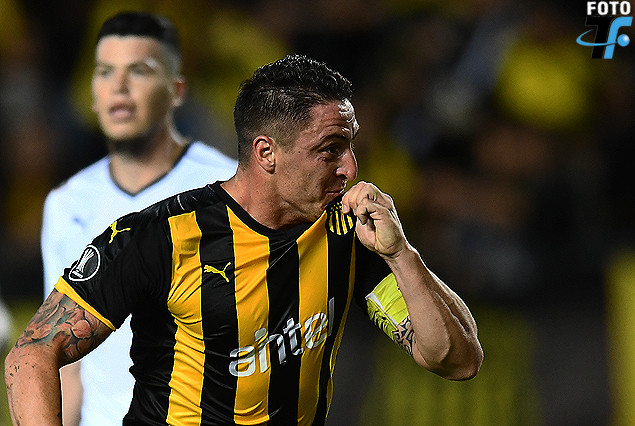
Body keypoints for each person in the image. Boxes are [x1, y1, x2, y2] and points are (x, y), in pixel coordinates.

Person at [6, 54, 482, 425]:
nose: (351, 168)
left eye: (351, 146)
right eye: (330, 150)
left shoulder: (346, 232)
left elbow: (456, 360)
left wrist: (400, 253)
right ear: (267, 153)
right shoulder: (161, 237)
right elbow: (32, 354)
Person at [38, 12, 237, 426]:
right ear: (92, 94)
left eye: (139, 71)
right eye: (105, 72)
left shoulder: (229, 189)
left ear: (177, 91)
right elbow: (67, 362)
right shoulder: (67, 204)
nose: (119, 86)